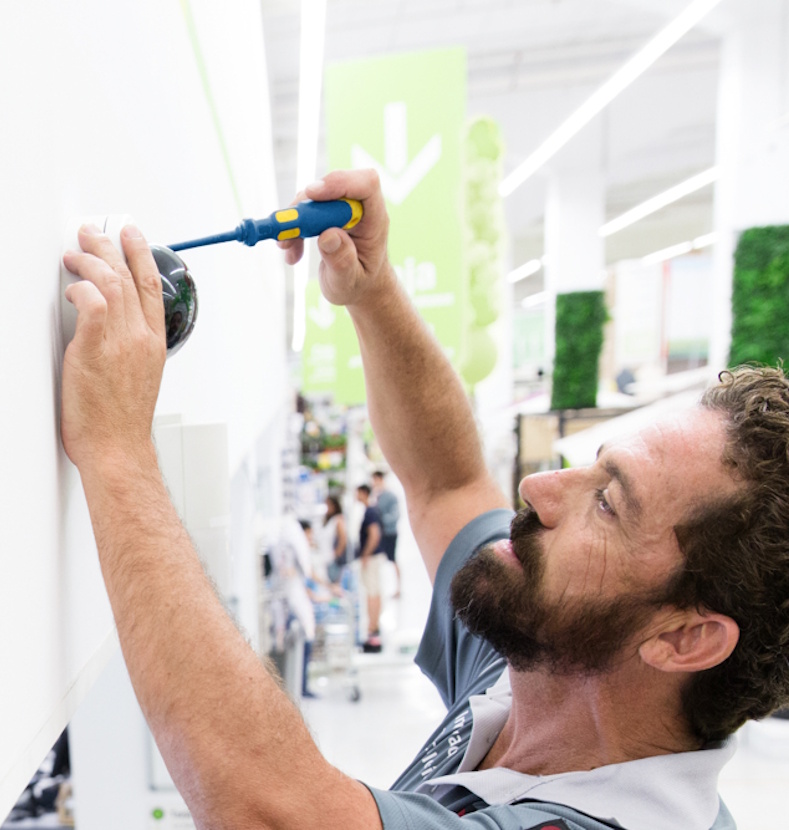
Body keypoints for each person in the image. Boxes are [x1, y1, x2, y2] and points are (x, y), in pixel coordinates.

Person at [59, 170, 789, 830]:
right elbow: (448, 485)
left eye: (608, 504)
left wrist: (117, 446)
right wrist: (373, 295)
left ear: (684, 638)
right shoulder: (545, 664)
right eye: (592, 468)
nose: (539, 489)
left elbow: (271, 812)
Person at [355, 483, 386, 652]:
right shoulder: (370, 511)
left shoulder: (370, 512)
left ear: (363, 493)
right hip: (373, 557)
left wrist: (366, 555)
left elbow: (374, 535)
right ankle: (373, 627)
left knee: (372, 593)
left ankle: (372, 628)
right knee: (374, 592)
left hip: (372, 558)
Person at [371, 470, 401, 596]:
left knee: (392, 559)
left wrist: (381, 521)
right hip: (379, 534)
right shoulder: (376, 496)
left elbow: (395, 515)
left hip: (389, 533)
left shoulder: (390, 495)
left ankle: (398, 588)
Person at [318, 494, 348, 584]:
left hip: (333, 559)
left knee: (335, 584)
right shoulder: (327, 520)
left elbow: (343, 539)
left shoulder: (338, 519)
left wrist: (336, 554)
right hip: (324, 557)